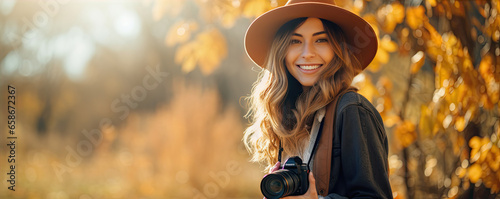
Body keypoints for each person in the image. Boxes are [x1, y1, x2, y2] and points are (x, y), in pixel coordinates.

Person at [243, 0, 393, 198]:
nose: (307, 54)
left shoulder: (352, 110)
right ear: (281, 51)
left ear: (338, 49)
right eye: (295, 41)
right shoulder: (287, 115)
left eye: (321, 40)